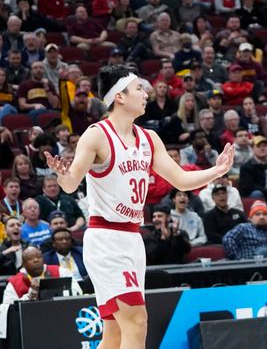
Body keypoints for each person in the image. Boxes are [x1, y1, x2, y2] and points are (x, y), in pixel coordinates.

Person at [43, 65, 234, 348]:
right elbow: (71, 184)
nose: (145, 93)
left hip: (133, 239)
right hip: (106, 238)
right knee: (136, 320)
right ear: (119, 96)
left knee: (115, 332)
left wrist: (216, 172)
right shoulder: (97, 135)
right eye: (138, 89)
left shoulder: (149, 138)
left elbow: (180, 179)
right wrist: (62, 175)